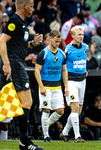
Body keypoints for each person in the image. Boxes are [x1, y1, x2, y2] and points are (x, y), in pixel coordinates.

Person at [0, 0, 44, 149]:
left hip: (17, 62)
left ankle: (24, 141)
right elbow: (2, 41)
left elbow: (20, 45)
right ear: (24, 6)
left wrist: (33, 44)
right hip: (13, 63)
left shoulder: (22, 24)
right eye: (31, 6)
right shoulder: (14, 21)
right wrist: (6, 63)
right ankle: (24, 142)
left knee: (19, 102)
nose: (33, 9)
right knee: (25, 102)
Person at [34, 30, 69, 142]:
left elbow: (64, 70)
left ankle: (43, 127)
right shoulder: (43, 53)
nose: (58, 43)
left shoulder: (62, 54)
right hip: (46, 87)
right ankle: (46, 136)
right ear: (49, 38)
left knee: (60, 111)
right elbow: (36, 71)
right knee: (46, 110)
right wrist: (41, 87)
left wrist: (66, 86)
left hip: (57, 87)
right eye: (56, 41)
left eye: (59, 41)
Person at [60, 25, 89, 143]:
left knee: (78, 111)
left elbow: (84, 61)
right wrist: (66, 86)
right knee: (75, 108)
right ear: (72, 35)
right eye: (79, 34)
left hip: (82, 81)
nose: (81, 36)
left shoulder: (86, 47)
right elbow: (63, 68)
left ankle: (64, 132)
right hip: (71, 81)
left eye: (82, 34)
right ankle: (77, 136)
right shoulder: (66, 49)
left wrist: (86, 71)